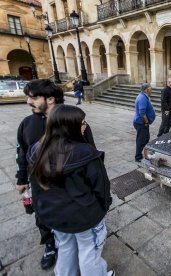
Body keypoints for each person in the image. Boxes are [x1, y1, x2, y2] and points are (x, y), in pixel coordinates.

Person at [16, 79, 95, 270]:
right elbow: (21, 152)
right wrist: (21, 178)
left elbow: (90, 154)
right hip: (41, 186)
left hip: (70, 189)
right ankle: (50, 245)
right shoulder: (27, 124)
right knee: (42, 216)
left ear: (50, 99)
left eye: (33, 97)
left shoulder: (74, 121)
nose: (28, 101)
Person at [27, 104, 114, 276]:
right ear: (70, 126)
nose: (85, 126)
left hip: (55, 216)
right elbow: (101, 186)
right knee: (89, 251)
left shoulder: (37, 150)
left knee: (66, 248)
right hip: (85, 216)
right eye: (82, 122)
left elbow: (36, 188)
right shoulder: (86, 152)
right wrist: (103, 207)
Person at [133, 83, 155, 162]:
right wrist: (146, 122)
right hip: (141, 123)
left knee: (145, 139)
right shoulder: (142, 98)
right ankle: (138, 157)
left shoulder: (143, 96)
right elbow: (142, 113)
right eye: (150, 89)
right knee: (141, 140)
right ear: (147, 90)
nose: (151, 90)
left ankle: (145, 154)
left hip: (141, 122)